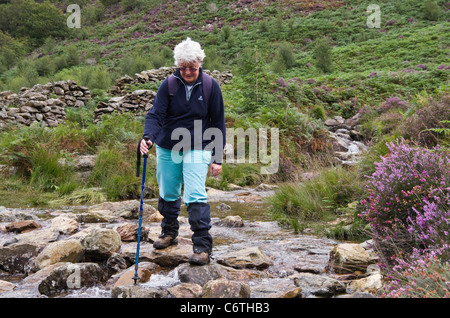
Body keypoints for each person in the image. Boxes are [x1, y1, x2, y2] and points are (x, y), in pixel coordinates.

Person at [139, 37, 226, 265]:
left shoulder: (210, 86)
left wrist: (217, 158)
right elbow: (155, 115)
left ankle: (202, 246)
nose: (188, 72)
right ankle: (169, 233)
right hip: (169, 145)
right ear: (178, 65)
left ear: (200, 63)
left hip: (199, 145)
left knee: (195, 193)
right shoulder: (168, 85)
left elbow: (218, 123)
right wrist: (148, 138)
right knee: (168, 191)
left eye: (192, 67)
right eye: (183, 67)